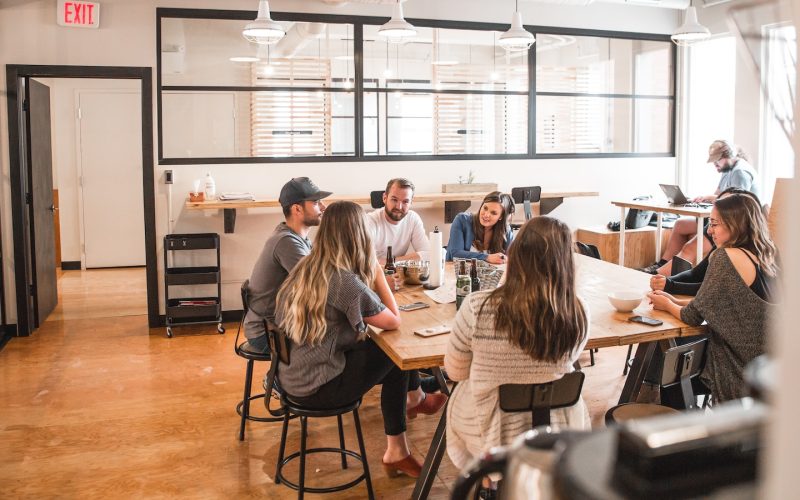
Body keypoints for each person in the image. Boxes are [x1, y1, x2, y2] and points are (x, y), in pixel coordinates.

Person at [274, 201, 440, 478]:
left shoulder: (307, 267)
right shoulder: (342, 280)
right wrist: (376, 269)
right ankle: (407, 423)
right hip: (319, 387)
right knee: (394, 352)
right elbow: (393, 319)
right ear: (359, 236)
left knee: (384, 352)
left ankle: (413, 405)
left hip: (292, 377)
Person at [445, 217, 591, 470]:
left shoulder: (478, 307)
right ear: (567, 261)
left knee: (462, 393)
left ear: (516, 254)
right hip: (557, 426)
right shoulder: (578, 312)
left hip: (491, 430)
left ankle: (491, 478)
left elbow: (455, 371)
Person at [648, 193, 778, 404]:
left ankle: (684, 432)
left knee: (670, 373)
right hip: (768, 367)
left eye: (714, 224)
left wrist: (666, 304)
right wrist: (674, 300)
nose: (709, 230)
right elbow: (714, 303)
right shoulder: (765, 256)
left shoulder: (725, 256)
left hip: (738, 370)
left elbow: (692, 317)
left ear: (735, 225)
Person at [642, 140, 760, 275]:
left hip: (734, 223)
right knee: (680, 224)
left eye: (717, 161)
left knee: (689, 248)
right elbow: (719, 195)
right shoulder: (728, 170)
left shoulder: (740, 172)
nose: (715, 164)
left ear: (728, 156)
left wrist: (712, 199)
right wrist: (705, 198)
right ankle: (662, 264)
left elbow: (738, 204)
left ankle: (658, 276)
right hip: (725, 218)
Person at [243, 177, 331, 353]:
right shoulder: (287, 242)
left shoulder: (297, 239)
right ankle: (283, 379)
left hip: (279, 326)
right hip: (268, 334)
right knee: (342, 342)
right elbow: (321, 284)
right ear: (297, 209)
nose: (323, 207)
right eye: (316, 202)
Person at [649, 188, 765, 297]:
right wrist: (667, 281)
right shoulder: (728, 245)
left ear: (737, 221)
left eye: (714, 223)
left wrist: (670, 286)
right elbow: (696, 274)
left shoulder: (735, 255)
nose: (709, 231)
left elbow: (709, 293)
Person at [366, 178, 430, 263]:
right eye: (394, 200)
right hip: (374, 275)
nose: (399, 207)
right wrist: (407, 260)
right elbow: (365, 262)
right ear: (385, 198)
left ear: (411, 202)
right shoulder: (369, 221)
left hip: (399, 273)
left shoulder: (413, 219)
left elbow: (428, 254)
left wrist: (392, 262)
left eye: (405, 201)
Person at [446, 191, 515, 264]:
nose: (486, 215)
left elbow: (511, 259)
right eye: (485, 208)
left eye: (493, 213)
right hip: (457, 273)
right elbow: (455, 254)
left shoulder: (505, 230)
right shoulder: (462, 220)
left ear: (501, 217)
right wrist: (487, 257)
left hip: (490, 274)